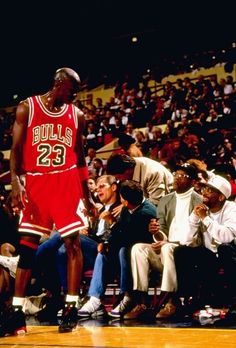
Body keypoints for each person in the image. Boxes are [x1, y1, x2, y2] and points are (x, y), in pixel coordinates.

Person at [0, 67, 90, 336]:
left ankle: (71, 307)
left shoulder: (78, 116)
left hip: (65, 182)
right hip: (37, 183)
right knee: (27, 249)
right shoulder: (27, 107)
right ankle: (17, 313)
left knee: (72, 243)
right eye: (72, 89)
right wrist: (16, 182)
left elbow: (81, 159)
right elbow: (15, 150)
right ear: (59, 83)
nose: (75, 94)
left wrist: (88, 197)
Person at [122, 163, 203, 320]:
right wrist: (156, 233)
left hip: (185, 251)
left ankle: (171, 301)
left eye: (182, 176)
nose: (176, 178)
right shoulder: (166, 200)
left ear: (193, 182)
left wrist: (167, 244)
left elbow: (198, 236)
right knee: (138, 248)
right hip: (166, 247)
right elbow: (163, 231)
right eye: (175, 174)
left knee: (167, 249)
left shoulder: (199, 201)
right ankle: (142, 301)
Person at [77, 180, 156, 318]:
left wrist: (111, 222)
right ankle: (95, 299)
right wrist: (107, 243)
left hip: (140, 255)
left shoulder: (147, 212)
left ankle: (128, 296)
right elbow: (119, 235)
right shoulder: (127, 208)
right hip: (124, 249)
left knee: (123, 250)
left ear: (124, 201)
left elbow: (129, 237)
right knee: (103, 254)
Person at [174, 174, 236, 313]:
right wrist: (195, 218)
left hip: (230, 254)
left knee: (225, 249)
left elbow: (227, 237)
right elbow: (186, 240)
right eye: (205, 189)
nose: (204, 193)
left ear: (220, 197)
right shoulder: (201, 209)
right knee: (181, 251)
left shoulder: (231, 208)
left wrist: (205, 219)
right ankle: (188, 297)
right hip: (210, 256)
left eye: (210, 190)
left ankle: (232, 301)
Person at [106, 153, 173, 206]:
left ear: (127, 171)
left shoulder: (152, 173)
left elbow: (156, 203)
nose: (119, 180)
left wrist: (129, 206)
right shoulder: (130, 165)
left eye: (119, 177)